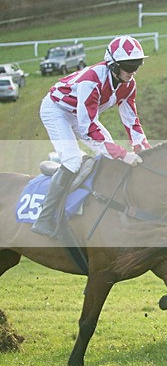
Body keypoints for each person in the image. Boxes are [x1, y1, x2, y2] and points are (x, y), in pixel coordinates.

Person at [32, 35, 151, 237]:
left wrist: (144, 150)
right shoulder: (91, 81)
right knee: (72, 161)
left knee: (108, 152)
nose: (133, 72)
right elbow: (88, 129)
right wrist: (123, 154)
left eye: (136, 66)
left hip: (81, 114)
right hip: (57, 110)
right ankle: (45, 218)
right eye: (128, 67)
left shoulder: (128, 85)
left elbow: (131, 121)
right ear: (113, 65)